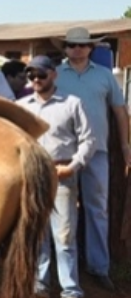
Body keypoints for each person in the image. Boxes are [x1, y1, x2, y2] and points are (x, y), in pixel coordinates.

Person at [54, 27, 130, 291]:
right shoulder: (54, 74)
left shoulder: (105, 76)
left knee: (97, 209)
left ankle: (99, 267)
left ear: (90, 48)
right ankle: (62, 270)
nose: (77, 49)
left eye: (82, 45)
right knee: (61, 211)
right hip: (62, 152)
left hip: (97, 151)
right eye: (72, 45)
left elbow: (120, 112)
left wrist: (125, 145)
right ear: (65, 48)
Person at [16, 56, 95, 298]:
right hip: (31, 176)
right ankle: (40, 286)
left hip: (62, 174)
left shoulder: (72, 104)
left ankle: (70, 290)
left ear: (54, 74)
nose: (36, 79)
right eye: (31, 75)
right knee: (37, 235)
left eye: (41, 74)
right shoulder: (21, 106)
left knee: (64, 237)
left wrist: (73, 166)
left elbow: (89, 140)